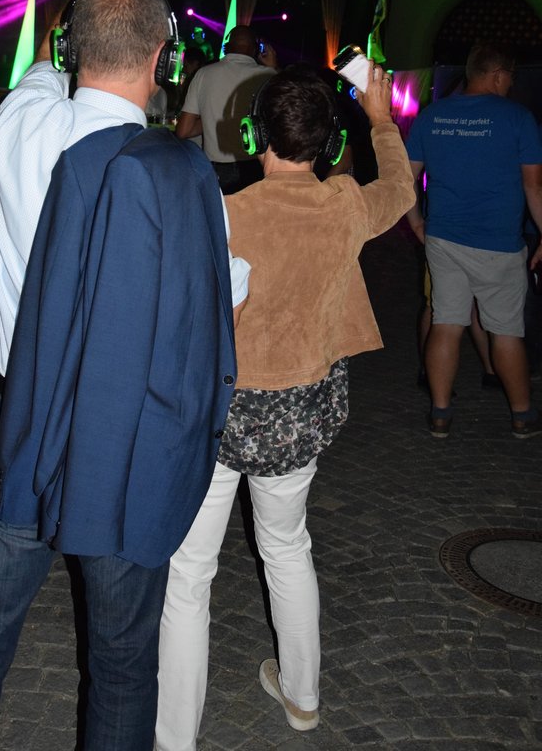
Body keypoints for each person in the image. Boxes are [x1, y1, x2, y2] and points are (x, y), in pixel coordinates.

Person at [0, 0, 249, 751]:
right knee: (124, 662)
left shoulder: (20, 124)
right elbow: (214, 311)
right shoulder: (183, 180)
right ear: (163, 58)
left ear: (70, 47)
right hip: (123, 439)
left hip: (16, 422)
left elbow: (42, 66)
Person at [155, 62, 415, 748]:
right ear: (328, 144)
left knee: (189, 573)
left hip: (220, 415)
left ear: (253, 135)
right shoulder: (345, 205)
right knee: (288, 546)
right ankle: (302, 696)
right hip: (301, 415)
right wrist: (381, 118)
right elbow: (400, 189)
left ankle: (174, 735)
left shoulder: (226, 215)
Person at [405, 42, 542, 438]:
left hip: (443, 238)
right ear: (497, 75)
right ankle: (522, 415)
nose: (510, 84)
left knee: (446, 323)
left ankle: (441, 413)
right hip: (498, 243)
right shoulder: (519, 118)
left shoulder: (431, 116)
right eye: (510, 77)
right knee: (505, 331)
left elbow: (405, 180)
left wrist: (417, 224)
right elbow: (534, 188)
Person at [176, 25, 277, 193]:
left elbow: (183, 131)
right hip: (255, 168)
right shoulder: (269, 76)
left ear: (227, 47)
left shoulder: (203, 74)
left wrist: (212, 118)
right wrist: (274, 69)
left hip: (216, 170)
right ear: (255, 50)